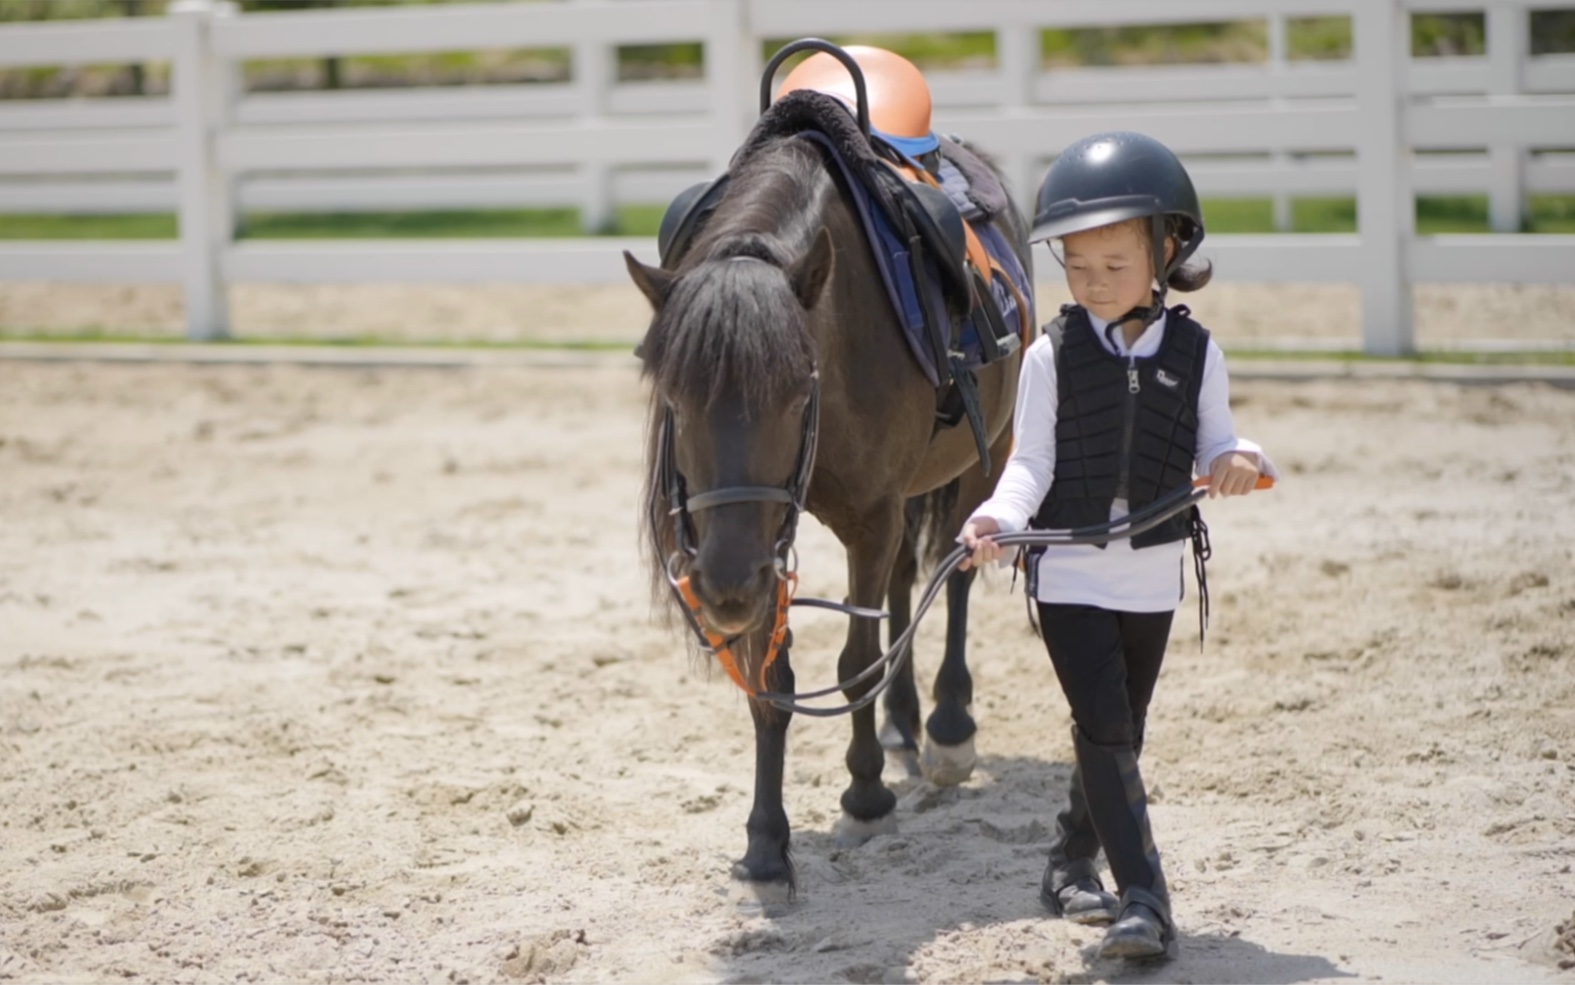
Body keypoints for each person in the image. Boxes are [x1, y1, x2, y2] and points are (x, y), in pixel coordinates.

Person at [957, 131, 1276, 961]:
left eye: (1114, 265)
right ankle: (1145, 900)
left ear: (1167, 251)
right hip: (1066, 572)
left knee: (1117, 734)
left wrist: (1240, 462)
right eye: (1077, 266)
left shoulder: (1196, 353)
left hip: (1151, 578)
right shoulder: (1047, 356)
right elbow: (1029, 462)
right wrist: (996, 517)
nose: (1093, 283)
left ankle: (1068, 860)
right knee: (1101, 724)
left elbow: (1218, 446)